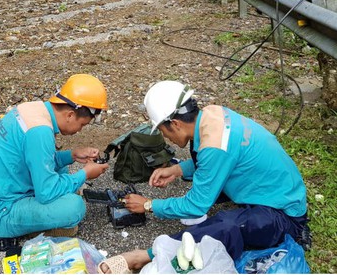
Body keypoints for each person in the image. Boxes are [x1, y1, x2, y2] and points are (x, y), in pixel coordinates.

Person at [99, 80, 309, 273]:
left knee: (226, 226)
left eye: (164, 131)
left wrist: (149, 205)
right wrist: (177, 170)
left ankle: (145, 256)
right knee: (202, 180)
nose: (166, 137)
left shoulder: (215, 146)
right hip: (267, 188)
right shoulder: (212, 115)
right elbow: (214, 160)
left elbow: (196, 206)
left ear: (175, 123)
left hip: (285, 215)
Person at [0, 73, 110, 241]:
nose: (80, 130)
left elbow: (40, 159)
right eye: (82, 125)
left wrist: (72, 155)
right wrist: (85, 173)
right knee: (75, 207)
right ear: (70, 115)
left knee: (60, 168)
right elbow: (46, 193)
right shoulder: (40, 132)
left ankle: (37, 216)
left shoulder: (33, 109)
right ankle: (34, 228)